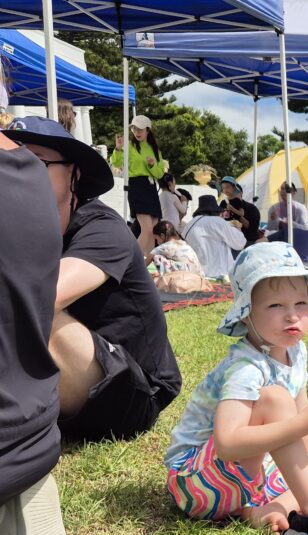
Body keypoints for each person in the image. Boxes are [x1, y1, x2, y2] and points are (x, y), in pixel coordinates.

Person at [3, 117, 181, 443]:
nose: (16, 172)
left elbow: (43, 298)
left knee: (29, 299)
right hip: (73, 377)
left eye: (34, 162)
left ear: (74, 174)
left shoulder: (101, 228)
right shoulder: (20, 226)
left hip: (135, 391)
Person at [164, 242, 308, 535]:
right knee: (275, 398)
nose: (292, 315)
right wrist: (304, 422)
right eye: (276, 305)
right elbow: (228, 443)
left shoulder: (297, 352)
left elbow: (303, 430)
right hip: (197, 479)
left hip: (246, 473)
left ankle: (270, 507)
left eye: (301, 303)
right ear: (245, 314)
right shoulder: (246, 367)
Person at [0, 68, 70, 535]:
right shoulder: (25, 178)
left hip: (118, 384)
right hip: (32, 425)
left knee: (66, 323)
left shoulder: (104, 232)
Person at [110, 115, 164, 256]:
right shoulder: (129, 145)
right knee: (146, 229)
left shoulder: (155, 150)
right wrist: (118, 148)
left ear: (148, 130)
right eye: (134, 128)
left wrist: (152, 165)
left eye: (140, 129)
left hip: (151, 187)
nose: (137, 132)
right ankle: (133, 263)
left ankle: (147, 262)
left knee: (153, 230)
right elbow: (116, 163)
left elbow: (159, 174)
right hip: (136, 186)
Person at [182, 194, 246, 278]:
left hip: (197, 273)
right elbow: (240, 242)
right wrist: (237, 229)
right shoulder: (218, 222)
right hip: (221, 273)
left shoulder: (189, 224)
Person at [219, 175, 262, 246]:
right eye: (224, 188)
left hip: (247, 241)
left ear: (241, 193)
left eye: (237, 192)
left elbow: (252, 229)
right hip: (228, 240)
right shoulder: (223, 203)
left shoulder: (252, 208)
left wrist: (235, 213)